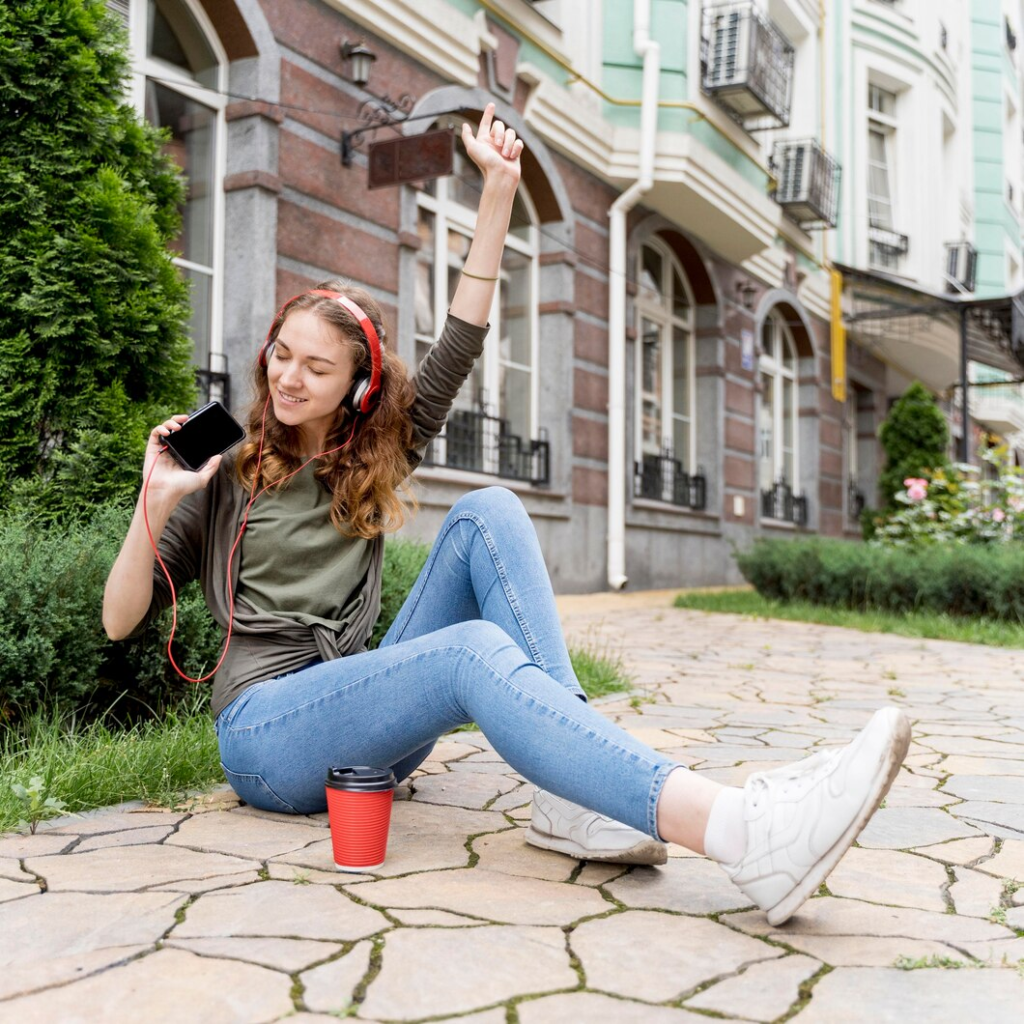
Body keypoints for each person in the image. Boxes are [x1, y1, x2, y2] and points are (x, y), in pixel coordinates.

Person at [103, 104, 910, 926]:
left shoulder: (376, 449)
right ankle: (743, 833)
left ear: (358, 386)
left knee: (489, 508)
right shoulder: (222, 470)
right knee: (470, 654)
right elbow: (117, 618)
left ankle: (574, 799)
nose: (289, 379)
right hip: (268, 738)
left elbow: (461, 336)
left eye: (317, 366)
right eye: (282, 355)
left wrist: (498, 189)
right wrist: (153, 503)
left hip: (368, 725)